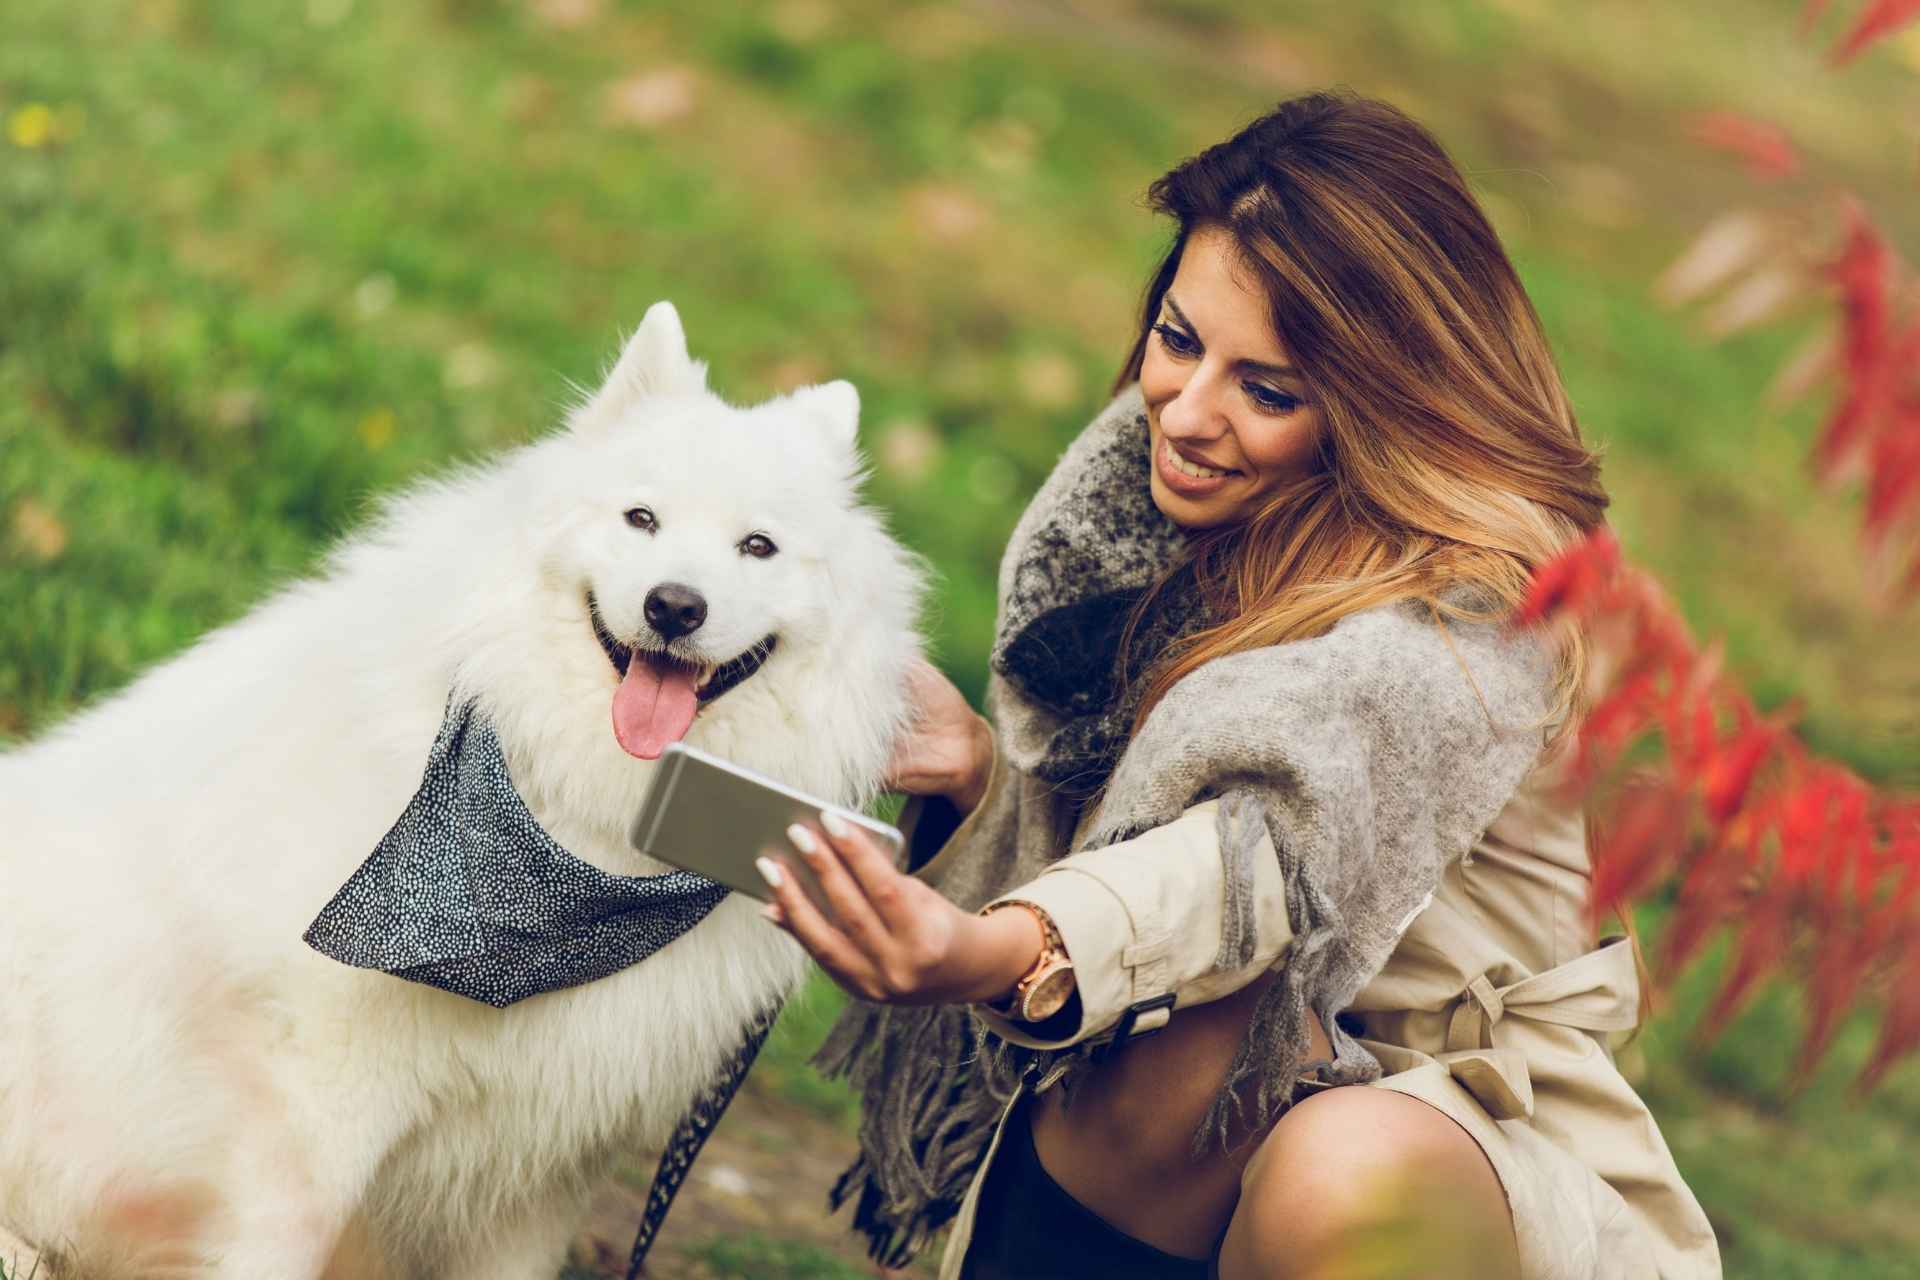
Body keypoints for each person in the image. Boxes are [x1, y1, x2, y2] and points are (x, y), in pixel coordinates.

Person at [757, 91, 1722, 1280]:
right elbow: (1140, 866)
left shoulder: (1479, 609)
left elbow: (1237, 874)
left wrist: (998, 949)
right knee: (1199, 1028)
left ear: (1385, 400)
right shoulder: (1160, 526)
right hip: (1198, 1165)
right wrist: (977, 779)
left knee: (1304, 1117)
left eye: (1268, 390)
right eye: (1179, 338)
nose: (1188, 412)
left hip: (1466, 1179)